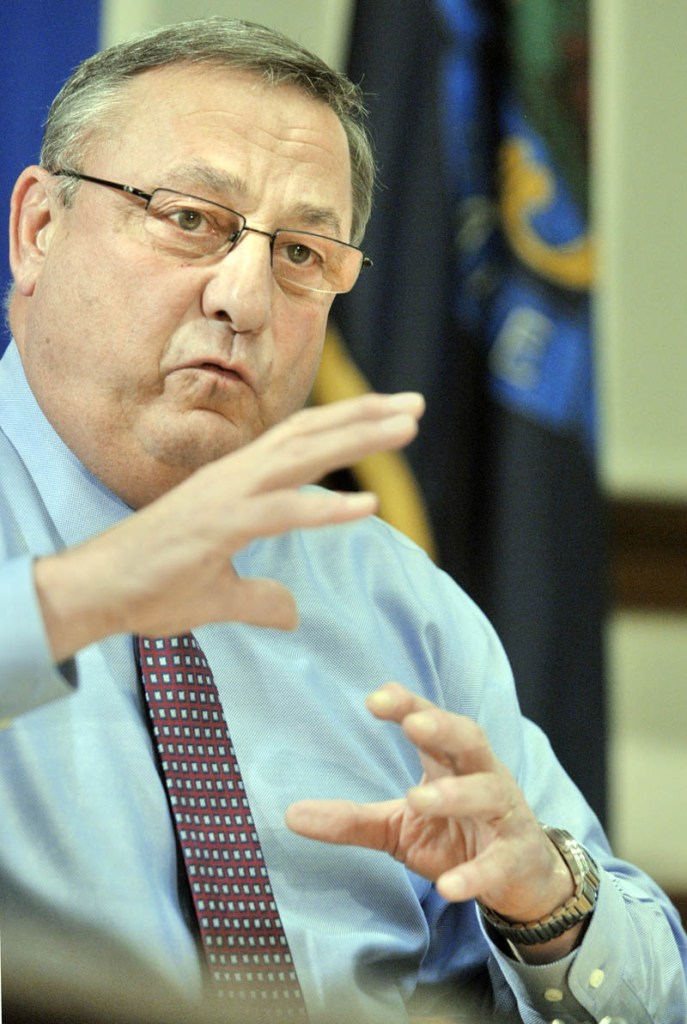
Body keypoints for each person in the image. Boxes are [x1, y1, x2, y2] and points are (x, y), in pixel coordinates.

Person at [0, 16, 684, 1024]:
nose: (241, 296)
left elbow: (657, 991)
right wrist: (77, 597)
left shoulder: (390, 595)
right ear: (38, 228)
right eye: (190, 217)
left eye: (302, 253)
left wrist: (546, 903)